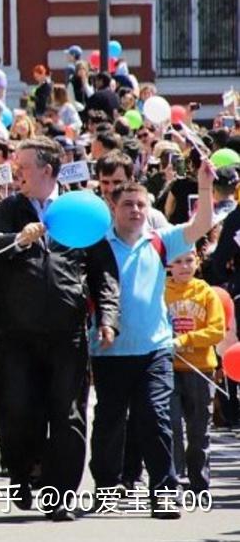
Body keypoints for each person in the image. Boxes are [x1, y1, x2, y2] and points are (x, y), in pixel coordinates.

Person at [0, 138, 120, 521]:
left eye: (24, 167)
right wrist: (17, 239)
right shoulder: (10, 208)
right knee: (18, 411)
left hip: (67, 335)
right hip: (17, 335)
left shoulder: (78, 210)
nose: (17, 174)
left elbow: (103, 271)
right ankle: (25, 471)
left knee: (69, 415)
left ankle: (61, 494)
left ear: (47, 170)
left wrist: (108, 317)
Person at [89, 161, 217, 519]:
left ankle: (164, 493)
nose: (135, 211)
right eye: (127, 205)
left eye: (141, 205)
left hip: (154, 350)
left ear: (149, 209)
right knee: (110, 421)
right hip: (109, 350)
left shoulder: (160, 241)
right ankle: (107, 487)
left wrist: (205, 187)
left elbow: (202, 226)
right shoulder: (97, 244)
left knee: (156, 417)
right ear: (113, 208)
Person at [165, 249, 225, 494]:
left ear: (197, 262)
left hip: (201, 369)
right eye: (178, 262)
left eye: (189, 261)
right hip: (168, 368)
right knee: (172, 427)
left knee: (199, 429)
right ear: (169, 265)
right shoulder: (161, 291)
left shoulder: (206, 293)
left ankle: (200, 483)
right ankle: (174, 481)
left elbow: (217, 331)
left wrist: (185, 340)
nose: (184, 267)